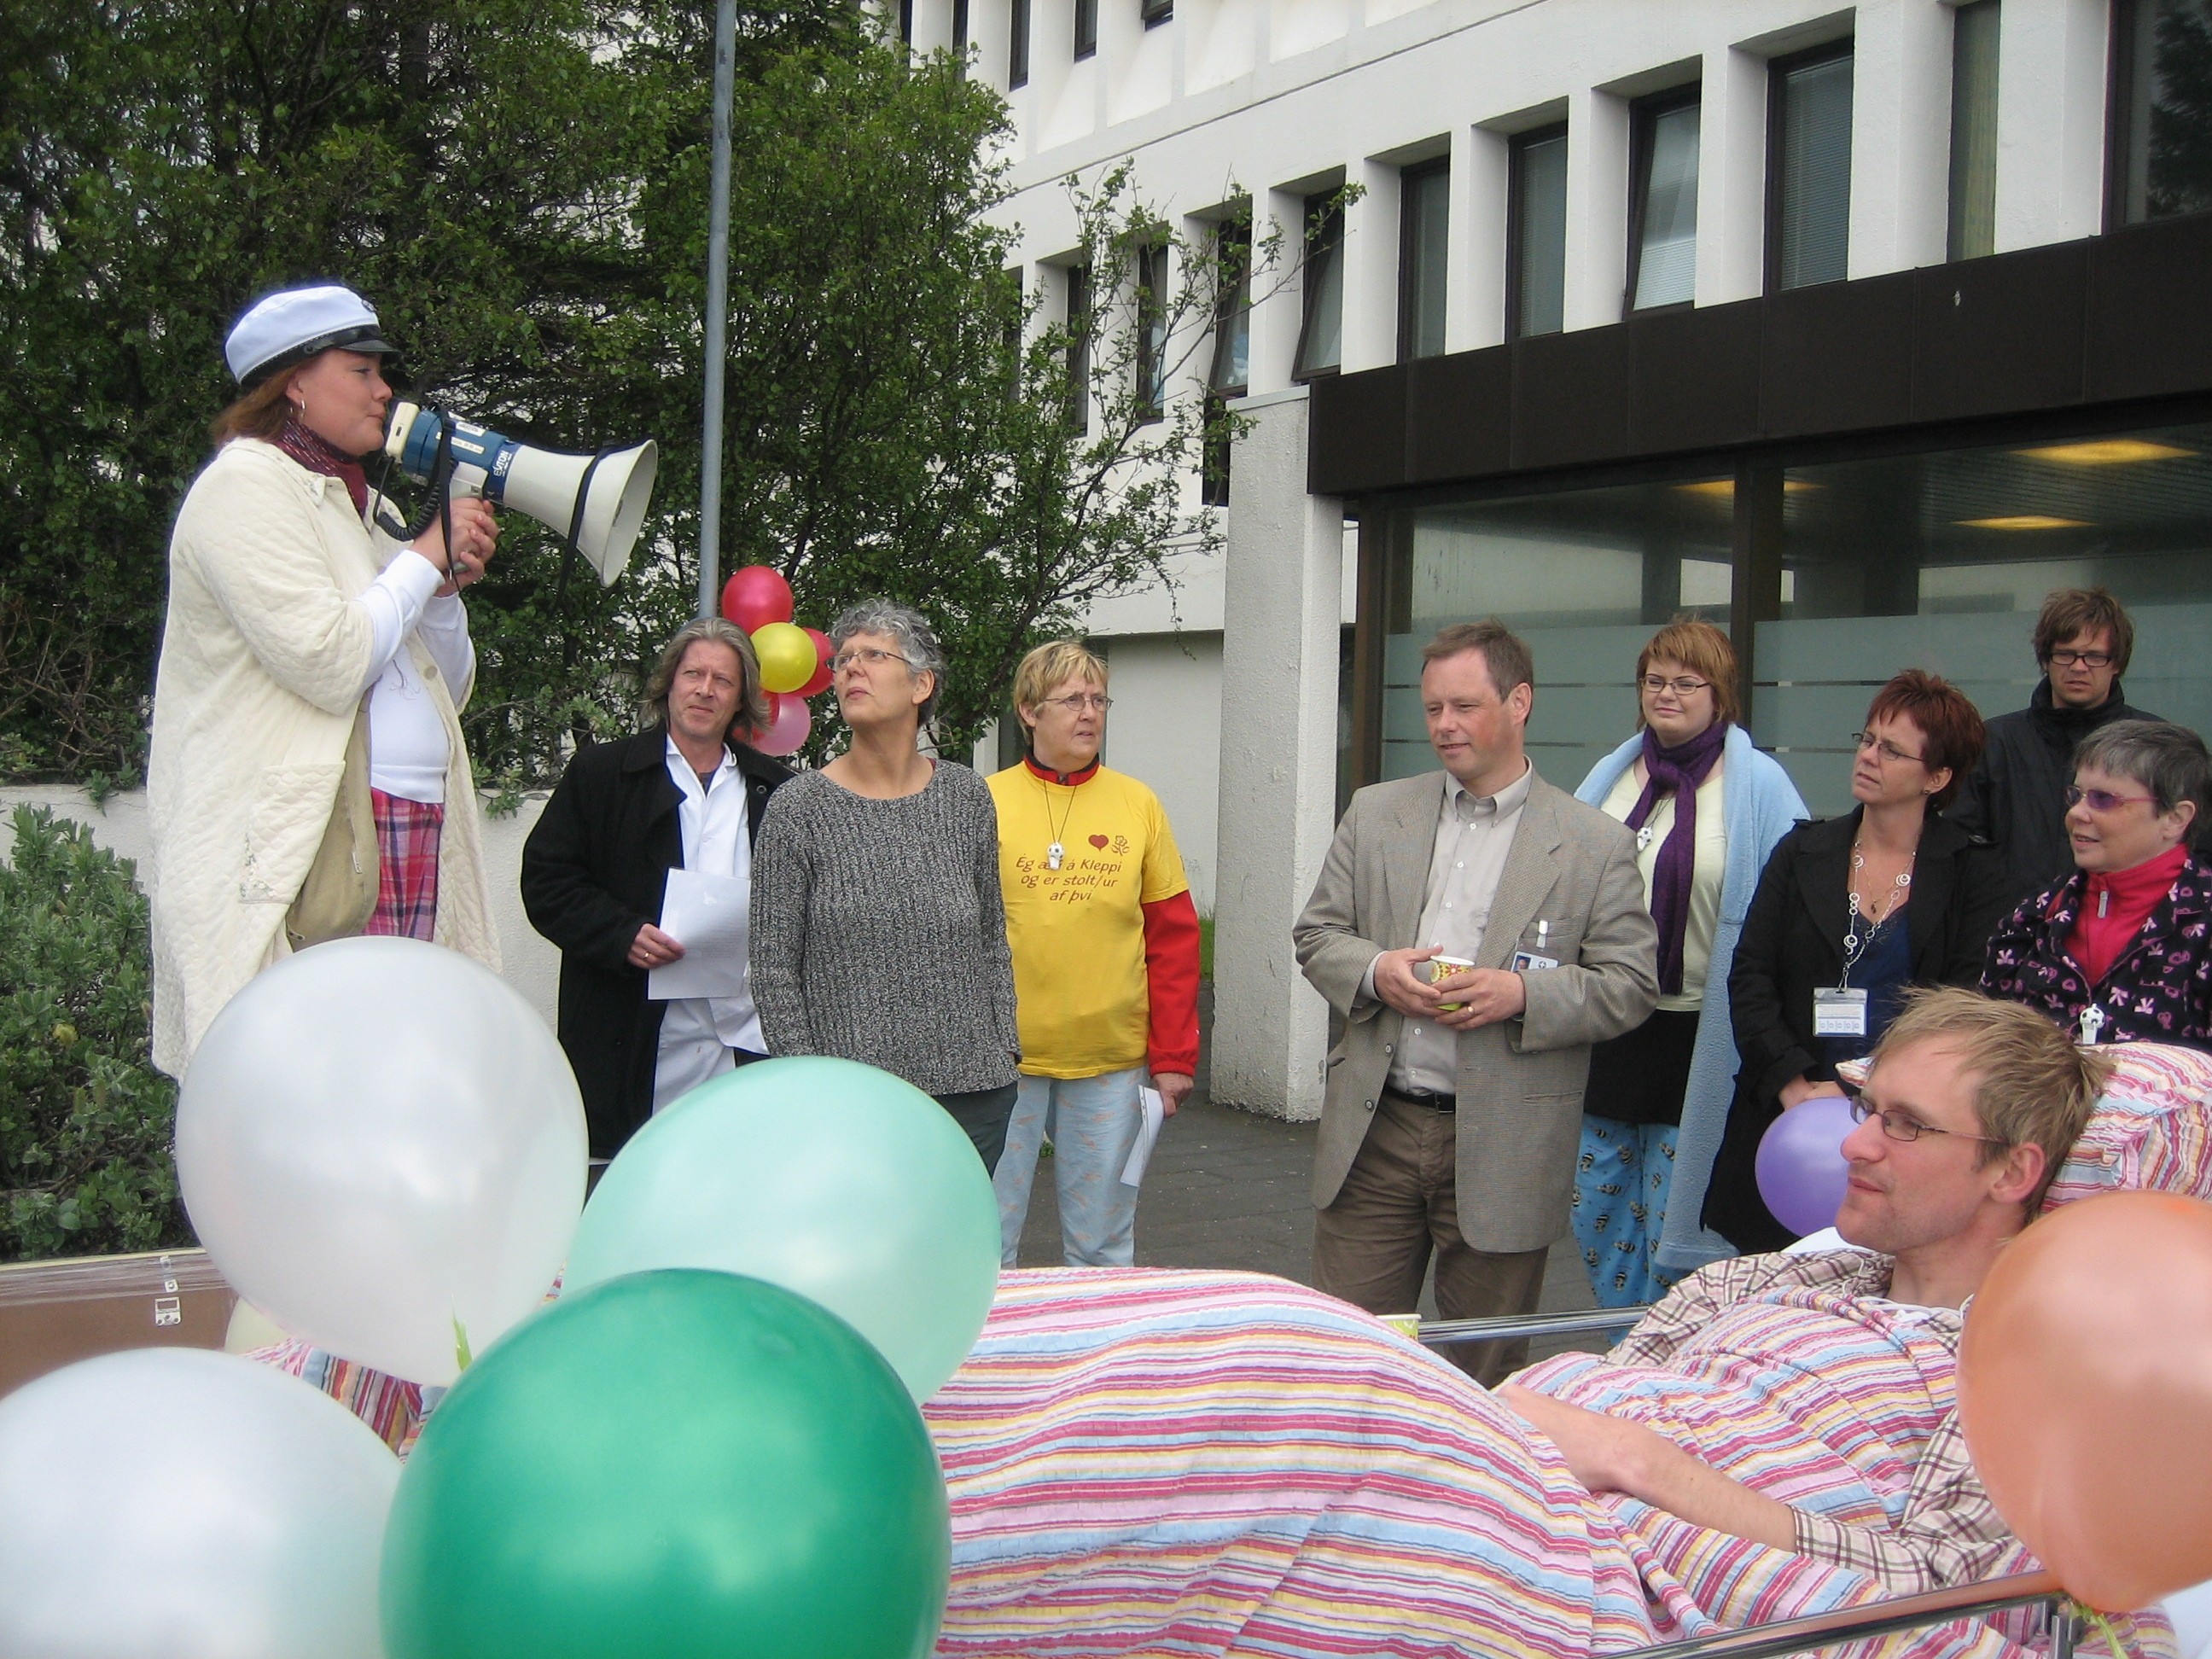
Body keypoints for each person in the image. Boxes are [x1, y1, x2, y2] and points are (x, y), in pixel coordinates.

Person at [927, 990, 2150, 1659]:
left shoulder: (2007, 1378)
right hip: (1506, 1468)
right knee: (1246, 1333)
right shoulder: (1776, 1281)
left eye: (1907, 1125)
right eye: (1865, 1104)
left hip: (1601, 1565)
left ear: (2012, 1172)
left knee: (1290, 1374)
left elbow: (1936, 1590)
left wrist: (1633, 1462)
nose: (1859, 1142)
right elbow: (1607, 1379)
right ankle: (877, 1384)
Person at [148, 282, 501, 1076]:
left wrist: (439, 591)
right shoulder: (244, 484)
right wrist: (421, 557)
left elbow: (447, 687)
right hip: (311, 848)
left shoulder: (358, 507)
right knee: (310, 1078)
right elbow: (329, 659)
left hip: (403, 824)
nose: (385, 390)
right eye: (363, 369)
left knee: (394, 1069)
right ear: (295, 381)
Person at [1293, 620, 1659, 1383]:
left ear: (1519, 701)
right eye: (1432, 710)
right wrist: (1376, 971)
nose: (1443, 727)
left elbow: (1630, 986)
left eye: (1463, 706)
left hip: (1505, 1143)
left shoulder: (1592, 844)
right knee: (1347, 1357)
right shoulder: (1377, 812)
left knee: (1482, 1373)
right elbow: (1318, 933)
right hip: (1378, 1131)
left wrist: (1521, 993)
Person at [1704, 670, 2011, 1255]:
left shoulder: (1973, 872)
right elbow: (1750, 975)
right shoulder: (1803, 852)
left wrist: (1871, 1090)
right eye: (1867, 739)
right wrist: (1793, 1084)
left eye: (1892, 750)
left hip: (1905, 1129)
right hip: (1785, 1122)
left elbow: (1969, 1006)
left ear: (1938, 777)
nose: (1869, 757)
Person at [1571, 620, 1807, 1307]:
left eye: (1685, 682)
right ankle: (1624, 1343)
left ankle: (1672, 1357)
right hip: (1610, 1026)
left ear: (1719, 694)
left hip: (1700, 1034)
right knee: (1599, 1213)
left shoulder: (1758, 782)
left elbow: (1789, 903)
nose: (1666, 694)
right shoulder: (1614, 774)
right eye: (1654, 680)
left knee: (1676, 1223)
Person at [750, 599, 1021, 1171]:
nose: (851, 668)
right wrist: (808, 1082)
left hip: (972, 1096)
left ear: (921, 684)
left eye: (873, 655)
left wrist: (1004, 1048)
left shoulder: (966, 796)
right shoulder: (798, 809)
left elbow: (992, 938)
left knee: (948, 1255)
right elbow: (773, 968)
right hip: (850, 1105)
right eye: (845, 658)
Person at [519, 620, 793, 1158]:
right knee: (631, 1178)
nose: (705, 690)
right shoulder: (603, 774)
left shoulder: (774, 789)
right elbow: (548, 881)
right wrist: (621, 934)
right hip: (632, 1031)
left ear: (741, 700)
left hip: (742, 1032)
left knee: (729, 1176)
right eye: (693, 673)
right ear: (669, 683)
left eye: (723, 680)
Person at [987, 640, 1202, 1267]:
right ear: (1029, 711)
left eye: (1098, 699)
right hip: (1003, 1061)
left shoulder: (1137, 803)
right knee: (984, 1235)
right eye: (1071, 700)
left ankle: (1104, 1361)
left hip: (1110, 1059)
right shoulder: (985, 800)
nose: (1089, 713)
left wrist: (1174, 1057)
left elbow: (1173, 938)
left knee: (1103, 1240)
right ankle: (986, 1359)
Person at [1982, 719, 2212, 1049]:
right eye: (2076, 795)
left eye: (2104, 799)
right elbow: (1987, 1045)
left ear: (2175, 819)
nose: (2077, 812)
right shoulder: (2036, 915)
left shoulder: (2203, 922)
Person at [1948, 587, 2163, 913]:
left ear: (2116, 663)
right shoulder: (1994, 742)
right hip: (2013, 938)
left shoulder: (2154, 746)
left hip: (2125, 937)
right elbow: (1960, 846)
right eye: (2065, 653)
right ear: (2046, 659)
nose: (2079, 667)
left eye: (2094, 656)